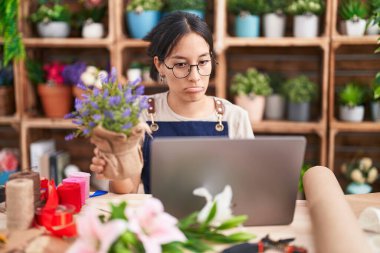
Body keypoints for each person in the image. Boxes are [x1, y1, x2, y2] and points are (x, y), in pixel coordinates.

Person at [90, 11, 254, 194]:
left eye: (203, 62)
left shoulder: (235, 117)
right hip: (160, 220)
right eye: (180, 64)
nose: (195, 77)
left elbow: (248, 191)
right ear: (160, 65)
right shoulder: (141, 112)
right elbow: (128, 193)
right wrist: (115, 168)